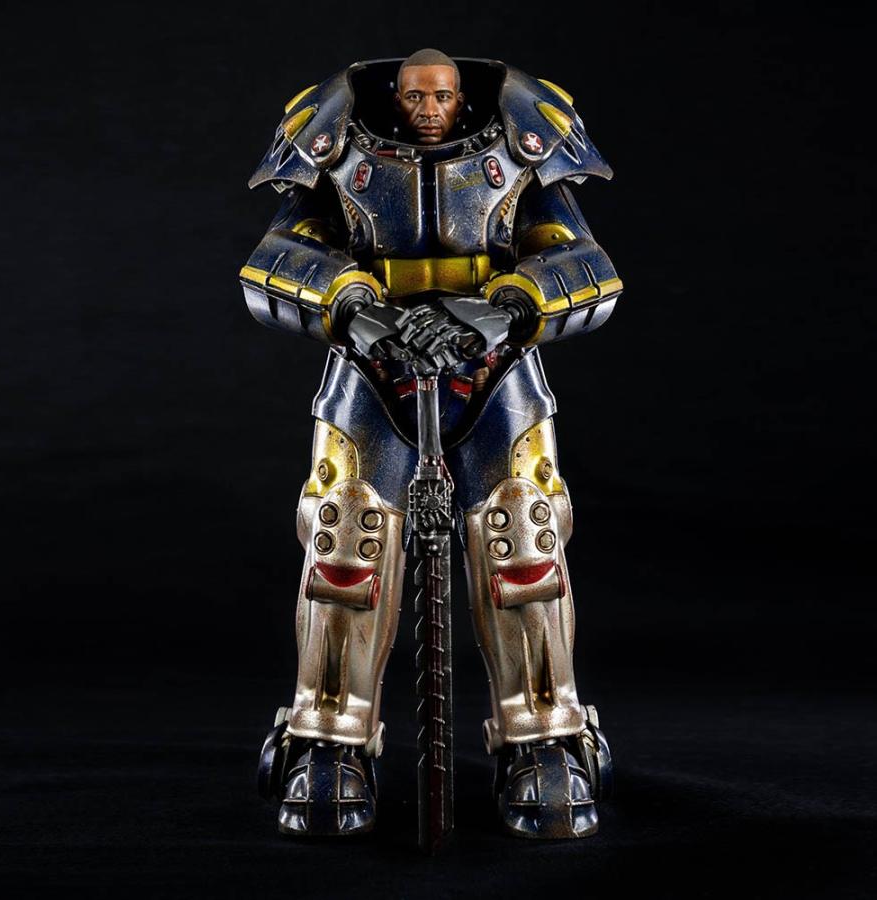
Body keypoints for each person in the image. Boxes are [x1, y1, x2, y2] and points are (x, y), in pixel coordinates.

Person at [241, 49, 621, 839]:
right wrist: (358, 308)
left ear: (462, 96)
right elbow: (274, 259)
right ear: (394, 95)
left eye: (442, 96)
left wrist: (505, 308)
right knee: (346, 540)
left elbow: (585, 263)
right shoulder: (332, 142)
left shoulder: (524, 142)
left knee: (525, 538)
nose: (428, 111)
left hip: (496, 371)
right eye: (415, 97)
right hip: (371, 368)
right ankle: (329, 736)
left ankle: (545, 734)